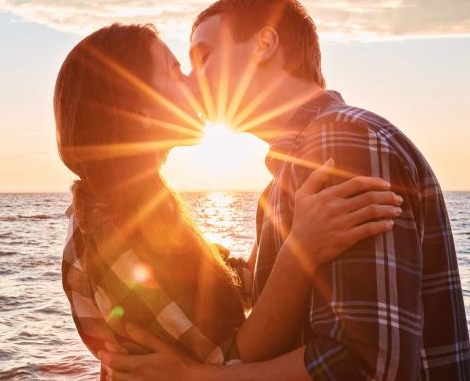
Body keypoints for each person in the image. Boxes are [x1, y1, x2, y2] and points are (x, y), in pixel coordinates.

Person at [99, 0, 470, 380]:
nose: (192, 82)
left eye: (204, 57)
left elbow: (364, 365)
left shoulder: (344, 140)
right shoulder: (282, 182)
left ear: (264, 43)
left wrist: (193, 377)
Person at [56, 23, 404, 380]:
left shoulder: (140, 209)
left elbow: (223, 291)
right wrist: (300, 250)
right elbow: (232, 358)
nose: (194, 83)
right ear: (140, 108)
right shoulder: (110, 232)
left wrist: (282, 213)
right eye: (176, 73)